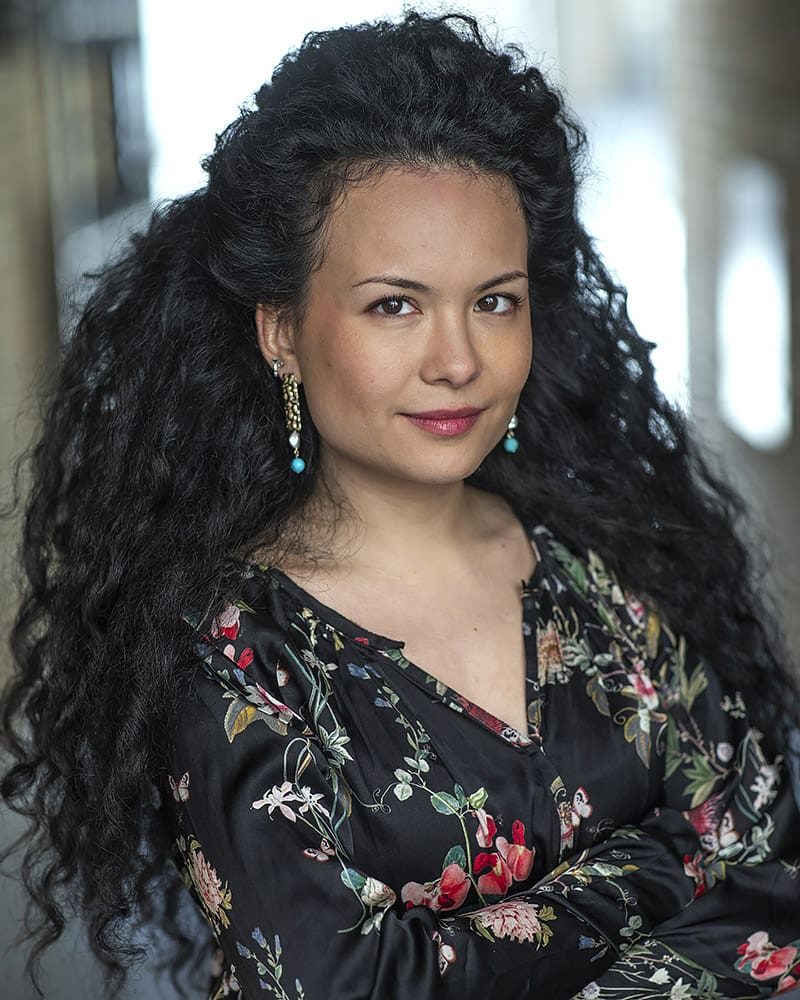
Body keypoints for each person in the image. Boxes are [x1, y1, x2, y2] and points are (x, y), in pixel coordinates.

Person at [2, 8, 799, 999]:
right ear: (281, 331)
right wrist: (664, 868)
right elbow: (339, 983)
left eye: (493, 301)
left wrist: (465, 946)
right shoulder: (238, 659)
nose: (457, 359)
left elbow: (767, 849)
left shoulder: (606, 566)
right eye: (395, 305)